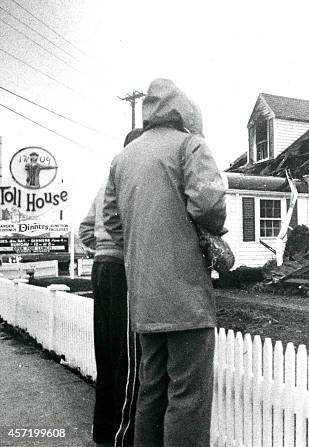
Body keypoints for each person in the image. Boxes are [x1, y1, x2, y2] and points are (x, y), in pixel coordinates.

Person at [103, 78, 226, 447]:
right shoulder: (190, 145)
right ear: (183, 112)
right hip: (186, 297)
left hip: (144, 297)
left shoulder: (122, 159)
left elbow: (111, 221)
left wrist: (143, 247)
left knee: (151, 390)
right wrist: (211, 232)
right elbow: (209, 206)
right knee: (187, 397)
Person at [79, 127, 143, 447]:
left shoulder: (106, 182)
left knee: (105, 352)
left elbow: (85, 230)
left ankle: (102, 431)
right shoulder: (131, 181)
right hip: (121, 269)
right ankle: (123, 435)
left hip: (100, 269)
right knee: (126, 357)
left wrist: (100, 249)